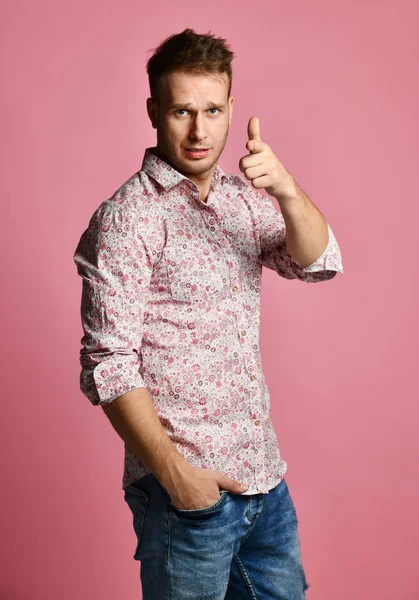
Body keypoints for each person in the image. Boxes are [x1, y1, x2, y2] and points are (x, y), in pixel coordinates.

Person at [73, 27, 343, 600]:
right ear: (154, 111)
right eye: (182, 111)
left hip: (265, 484)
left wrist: (289, 190)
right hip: (187, 501)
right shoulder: (128, 219)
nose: (199, 130)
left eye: (213, 110)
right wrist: (178, 479)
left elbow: (319, 262)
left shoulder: (242, 200)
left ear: (230, 110)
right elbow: (109, 365)